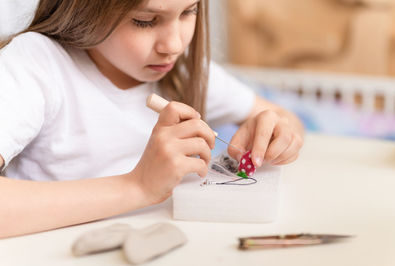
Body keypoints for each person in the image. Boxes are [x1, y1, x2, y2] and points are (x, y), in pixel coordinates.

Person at [0, 0, 304, 238]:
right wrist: (138, 187)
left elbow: (284, 118)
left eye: (189, 11)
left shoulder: (183, 70)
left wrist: (278, 132)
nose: (173, 45)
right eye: (144, 21)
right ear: (84, 8)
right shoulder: (37, 64)